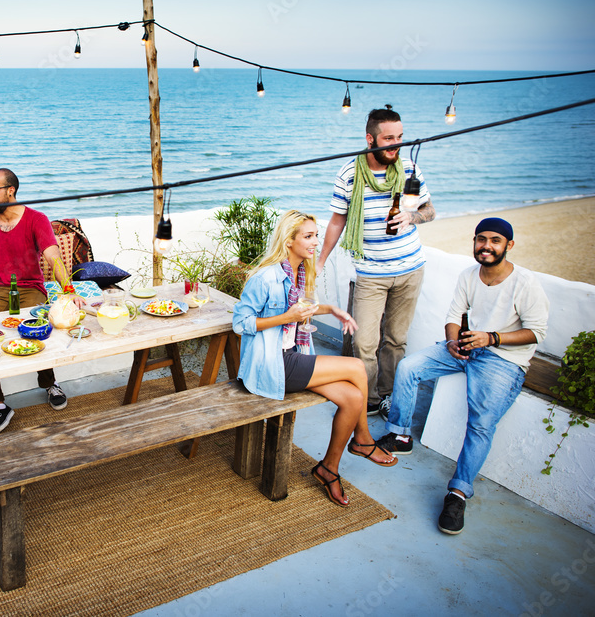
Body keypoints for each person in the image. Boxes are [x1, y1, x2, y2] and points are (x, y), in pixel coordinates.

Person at [377, 218, 548, 535]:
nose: (487, 246)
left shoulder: (525, 283)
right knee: (410, 367)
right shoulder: (469, 275)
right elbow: (454, 316)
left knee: (481, 422)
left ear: (508, 246)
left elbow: (536, 332)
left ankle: (458, 493)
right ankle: (400, 435)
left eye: (495, 240)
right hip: (465, 348)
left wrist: (491, 338)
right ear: (474, 242)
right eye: (481, 239)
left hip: (501, 357)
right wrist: (453, 341)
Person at [233, 210, 397, 508]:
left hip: (293, 355)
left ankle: (328, 469)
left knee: (351, 398)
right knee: (356, 366)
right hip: (273, 365)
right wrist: (286, 317)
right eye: (308, 236)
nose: (315, 242)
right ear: (289, 240)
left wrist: (332, 310)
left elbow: (304, 308)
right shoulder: (266, 277)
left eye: (316, 235)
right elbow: (241, 323)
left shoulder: (298, 272)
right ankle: (362, 441)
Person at [316, 105, 435, 415]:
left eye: (400, 137)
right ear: (370, 139)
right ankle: (366, 400)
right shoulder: (348, 174)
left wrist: (412, 216)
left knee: (396, 340)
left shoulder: (409, 169)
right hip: (370, 273)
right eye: (388, 139)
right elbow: (337, 222)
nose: (396, 145)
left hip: (410, 270)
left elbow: (429, 211)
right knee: (363, 343)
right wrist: (318, 262)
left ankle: (388, 395)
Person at [0, 168, 81, 434]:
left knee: (37, 326)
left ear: (11, 191)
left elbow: (53, 256)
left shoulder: (36, 219)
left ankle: (50, 383)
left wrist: (69, 289)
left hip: (29, 288)